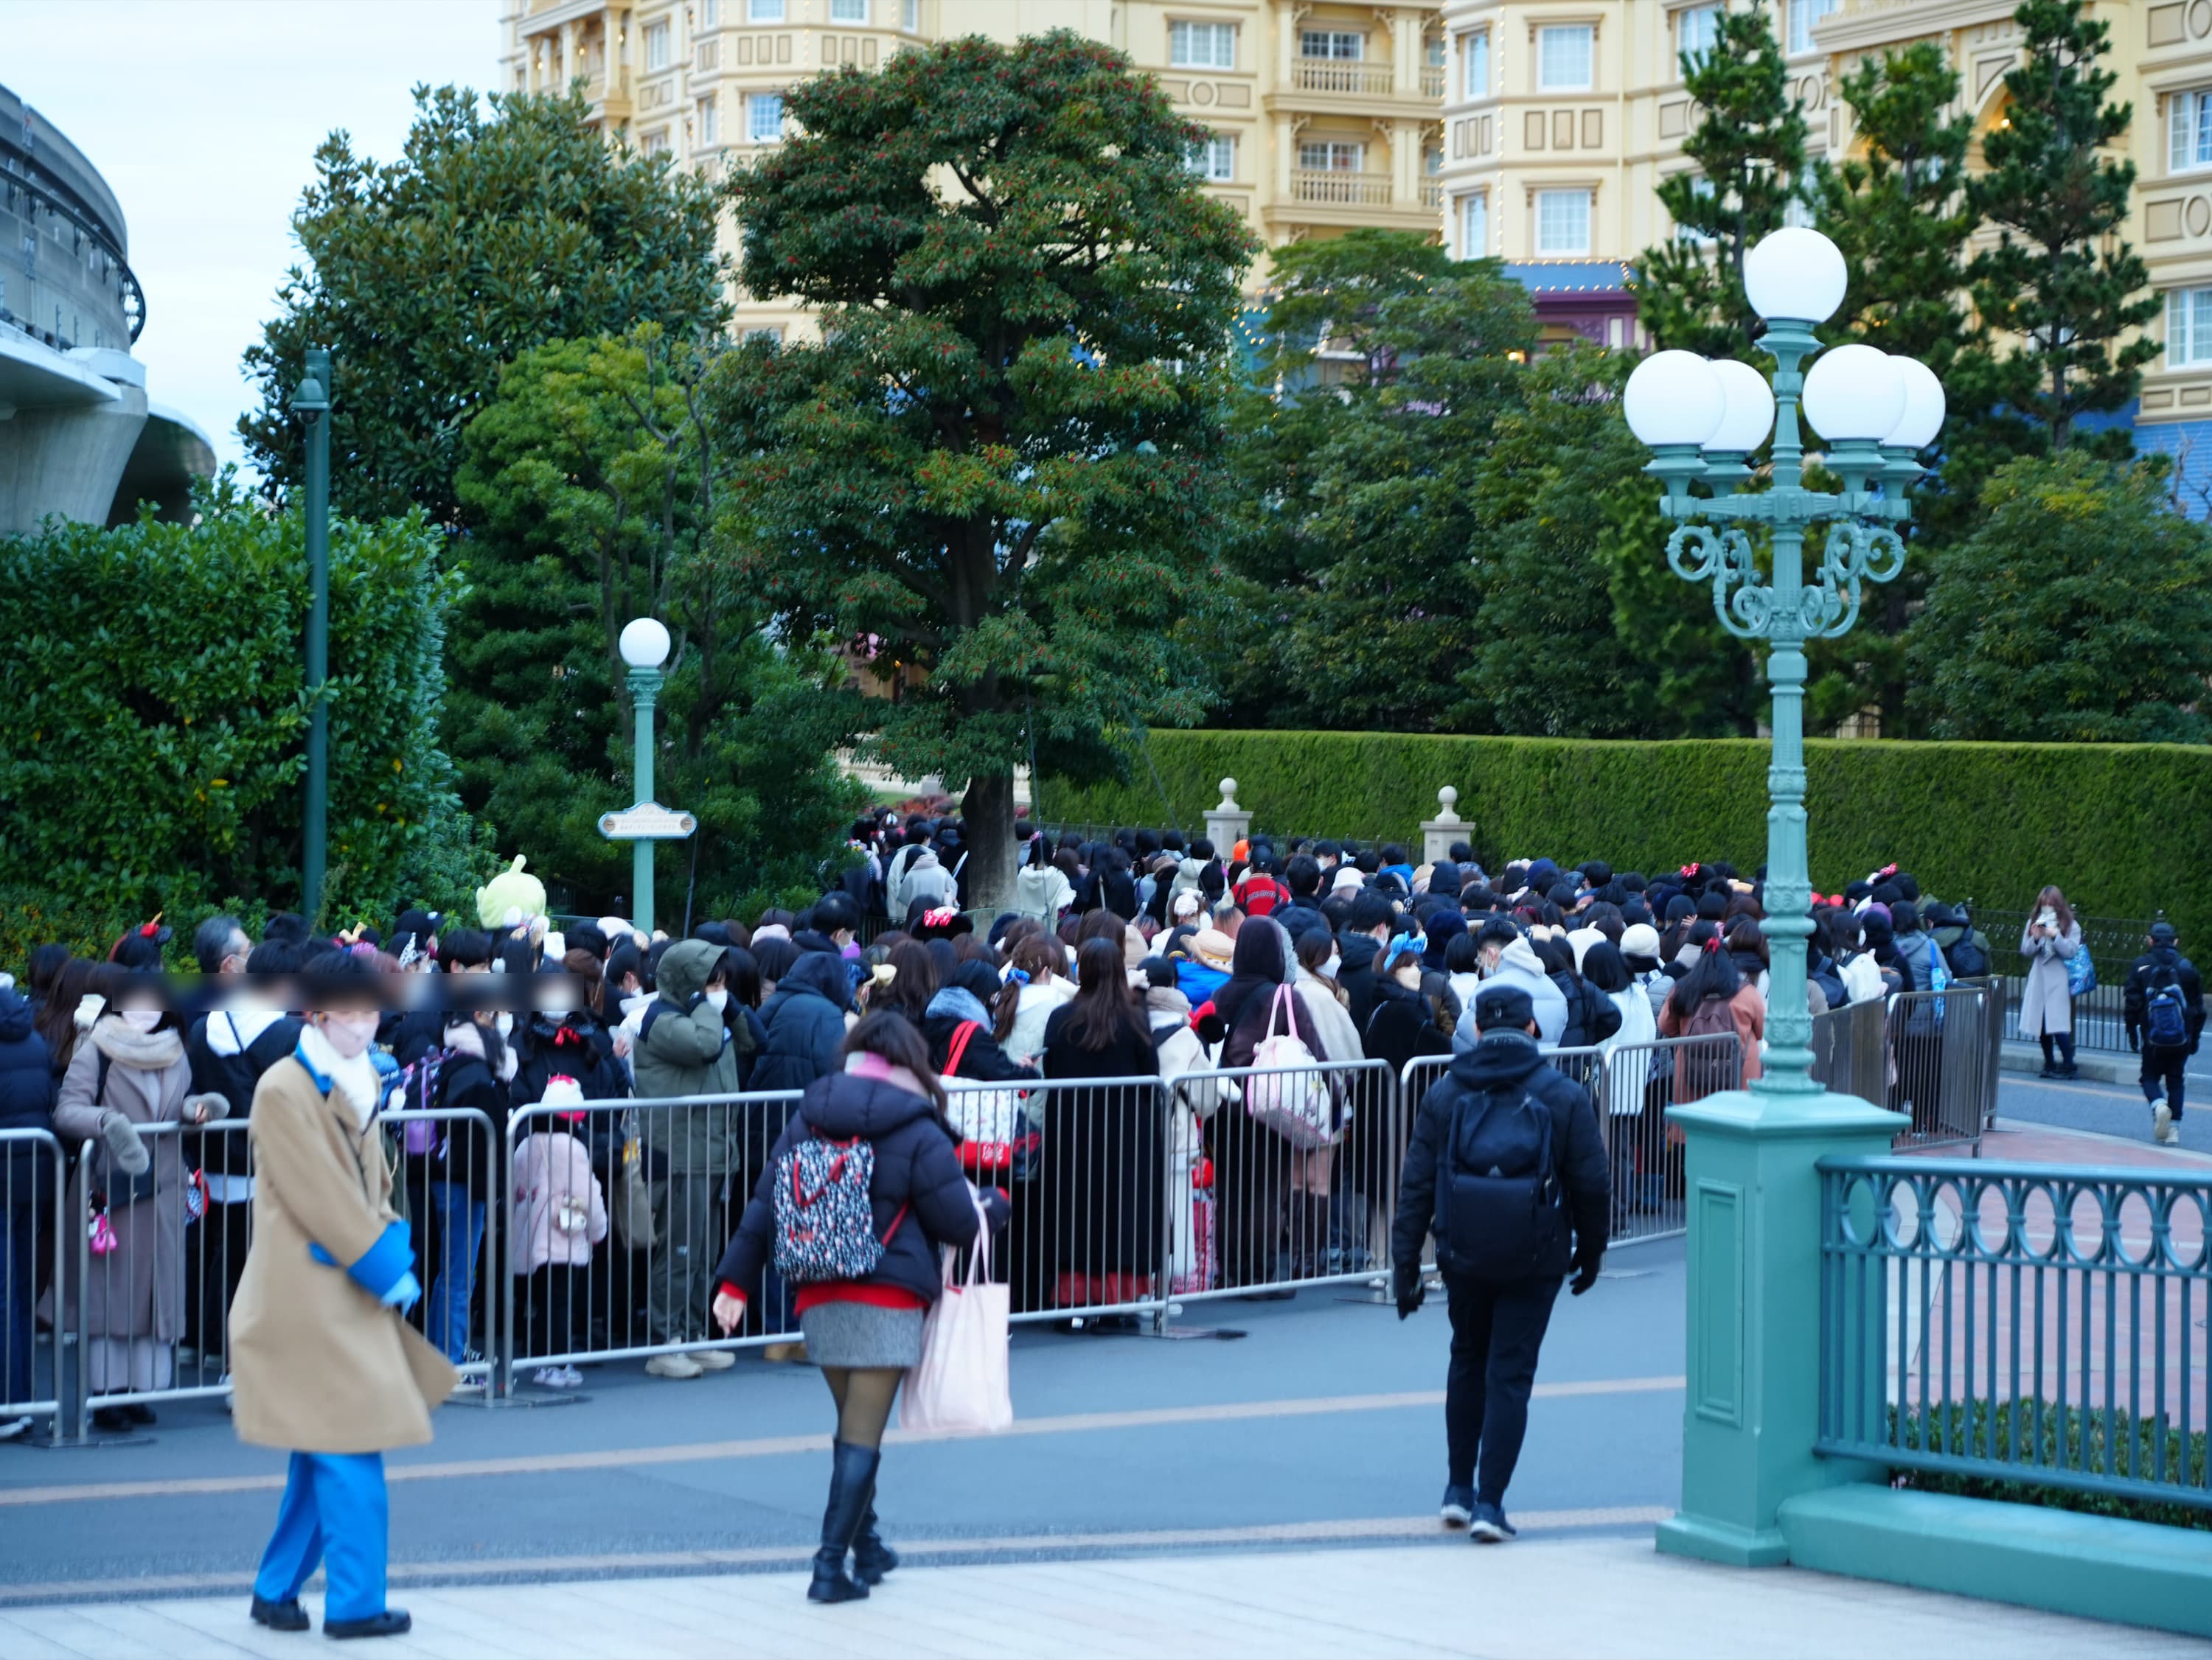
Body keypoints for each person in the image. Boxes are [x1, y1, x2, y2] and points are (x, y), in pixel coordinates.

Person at [711, 1014, 1008, 1603]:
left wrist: (734, 1284)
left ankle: (866, 1546)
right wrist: (992, 1207)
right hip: (887, 1295)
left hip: (818, 1291)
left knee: (852, 1427)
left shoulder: (810, 1116)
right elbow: (954, 1221)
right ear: (912, 1063)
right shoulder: (919, 1127)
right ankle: (828, 1569)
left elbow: (765, 1203)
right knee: (861, 1436)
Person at [1391, 985, 1608, 1544]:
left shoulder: (1446, 1091)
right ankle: (1491, 1503)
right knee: (1509, 1374)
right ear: (1532, 1027)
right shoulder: (1562, 1095)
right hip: (1535, 1254)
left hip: (1462, 1247)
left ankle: (1457, 1490)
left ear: (1479, 1031)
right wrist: (1591, 1251)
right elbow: (1591, 1183)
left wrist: (1405, 1265)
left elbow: (1415, 1184)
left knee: (1467, 1360)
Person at [52, 966, 226, 1426]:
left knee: (153, 1292)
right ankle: (106, 1394)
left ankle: (136, 1390)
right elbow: (68, 1111)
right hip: (111, 1188)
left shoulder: (176, 1052)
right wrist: (107, 1123)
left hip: (164, 1187)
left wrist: (196, 1109)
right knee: (112, 1295)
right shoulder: (97, 1048)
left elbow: (181, 1104)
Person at [629, 938, 742, 1380]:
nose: (717, 990)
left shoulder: (707, 1016)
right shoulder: (660, 1020)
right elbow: (703, 1046)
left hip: (712, 1152)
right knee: (677, 1253)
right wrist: (706, 1007)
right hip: (678, 1154)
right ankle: (665, 1342)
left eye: (721, 983)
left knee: (703, 1253)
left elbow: (754, 1038)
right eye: (709, 982)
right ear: (687, 983)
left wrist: (730, 1010)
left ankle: (694, 1335)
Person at [1040, 938, 1164, 1319]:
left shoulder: (1062, 1018)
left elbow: (1052, 1070)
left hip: (1073, 1127)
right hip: (1128, 1130)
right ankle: (1119, 1297)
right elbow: (1152, 1073)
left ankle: (1074, 1295)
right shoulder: (1134, 1018)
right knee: (1123, 1211)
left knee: (1075, 1211)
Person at [509, 1075, 609, 1387]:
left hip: (533, 1233)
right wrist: (598, 1229)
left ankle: (541, 1362)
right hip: (564, 1233)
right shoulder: (573, 1148)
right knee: (562, 1302)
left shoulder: (527, 1143)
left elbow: (517, 1189)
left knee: (544, 1302)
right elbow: (589, 1194)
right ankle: (557, 1364)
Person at [0, 985, 54, 1438]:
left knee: (5, 1293)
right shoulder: (34, 1040)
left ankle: (7, 1401)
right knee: (16, 1287)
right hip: (32, 1173)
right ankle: (19, 1398)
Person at [2124, 921, 2205, 1146]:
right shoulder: (2186, 968)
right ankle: (2174, 1130)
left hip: (2152, 1035)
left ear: (2150, 941)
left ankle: (2159, 1105)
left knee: (2149, 1077)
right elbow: (2198, 1008)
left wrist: (2132, 1031)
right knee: (2176, 1079)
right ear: (2176, 942)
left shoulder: (2141, 966)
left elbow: (2132, 1003)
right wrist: (2194, 1038)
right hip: (2182, 1035)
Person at [1658, 935, 1764, 1101]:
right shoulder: (1747, 992)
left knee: (1692, 1120)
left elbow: (1665, 1025)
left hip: (1691, 1070)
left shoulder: (1682, 989)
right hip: (1740, 1068)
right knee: (1739, 1118)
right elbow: (1761, 1030)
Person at [2020, 886, 2084, 1079]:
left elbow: (2071, 951)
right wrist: (2036, 938)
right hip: (2040, 977)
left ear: (2059, 905)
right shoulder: (2034, 921)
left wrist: (2055, 936)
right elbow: (2025, 950)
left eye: (2051, 904)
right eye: (2044, 904)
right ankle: (2049, 1063)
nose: (2047, 907)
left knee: (2058, 1023)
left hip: (2058, 977)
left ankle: (2068, 1063)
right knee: (2041, 1023)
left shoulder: (2071, 925)